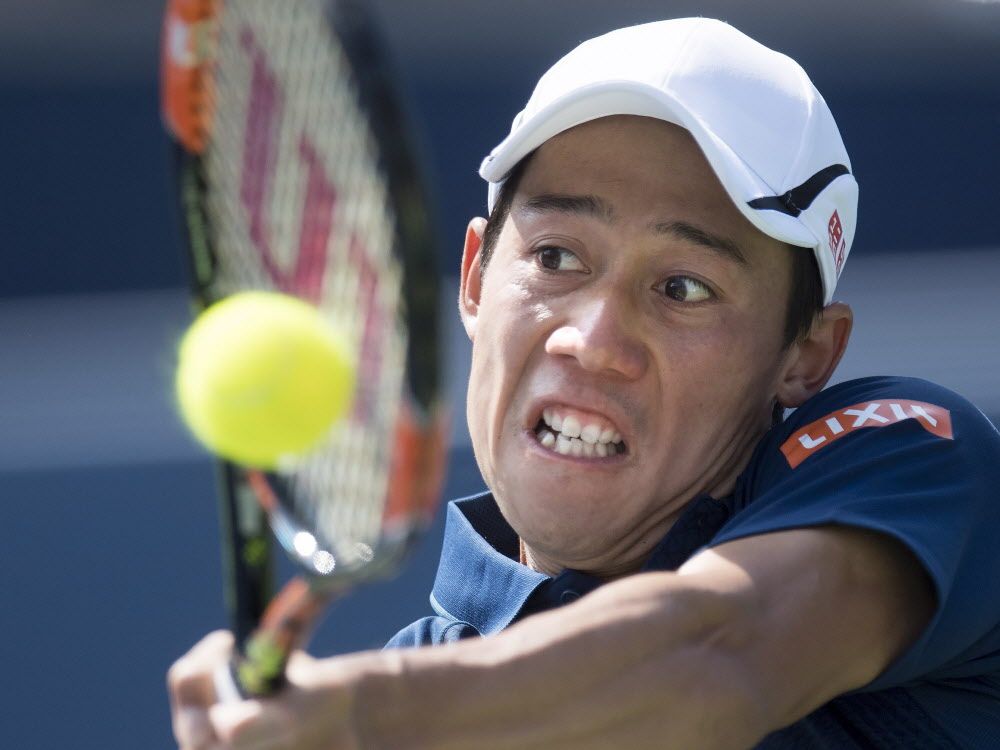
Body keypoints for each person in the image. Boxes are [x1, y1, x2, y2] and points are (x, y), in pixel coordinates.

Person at [168, 18, 1000, 749]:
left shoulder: (911, 456)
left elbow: (709, 660)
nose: (592, 341)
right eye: (555, 257)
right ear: (473, 279)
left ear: (807, 357)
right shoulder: (416, 679)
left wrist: (366, 720)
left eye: (683, 289)